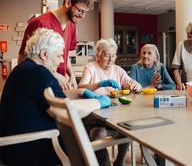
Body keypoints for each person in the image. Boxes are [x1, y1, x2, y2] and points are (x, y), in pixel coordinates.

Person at [0, 28, 115, 165]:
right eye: (59, 55)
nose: (61, 61)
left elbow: (52, 97)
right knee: (98, 151)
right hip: (26, 147)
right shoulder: (38, 72)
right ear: (44, 54)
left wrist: (80, 92)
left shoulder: (25, 69)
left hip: (13, 146)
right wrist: (99, 103)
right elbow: (66, 111)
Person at [18, 0, 94, 90]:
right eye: (80, 11)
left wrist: (71, 75)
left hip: (59, 84)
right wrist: (54, 75)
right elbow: (24, 60)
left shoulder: (72, 25)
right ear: (68, 2)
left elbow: (65, 55)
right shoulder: (40, 23)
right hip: (40, 84)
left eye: (85, 12)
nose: (83, 16)